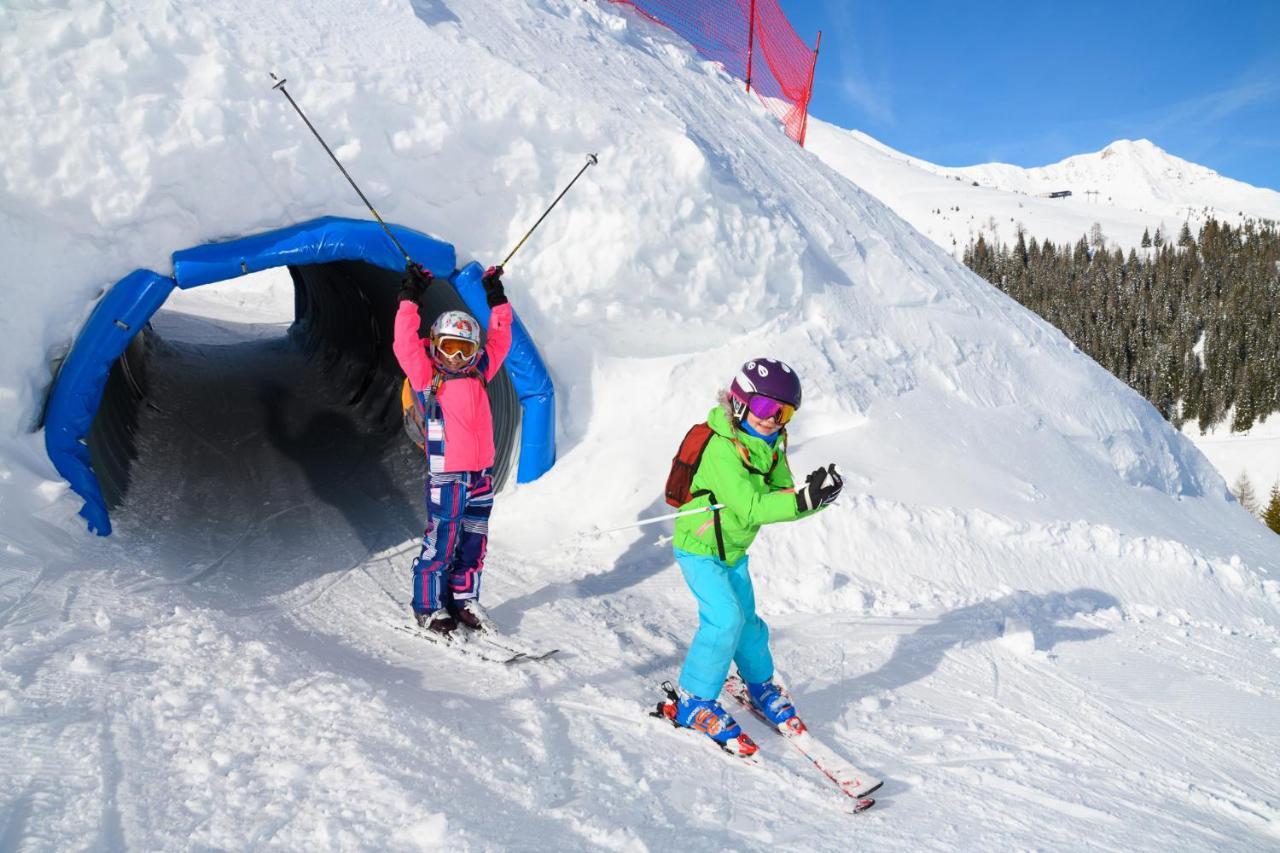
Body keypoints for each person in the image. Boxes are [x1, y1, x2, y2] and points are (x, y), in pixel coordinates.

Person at [663, 358, 843, 754]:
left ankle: (760, 684)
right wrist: (800, 501)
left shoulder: (771, 444)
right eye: (765, 408)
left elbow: (781, 493)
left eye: (785, 412)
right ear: (741, 403)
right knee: (723, 619)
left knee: (748, 624)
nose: (773, 419)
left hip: (734, 551)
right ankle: (694, 699)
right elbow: (750, 507)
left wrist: (814, 498)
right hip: (700, 549)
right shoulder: (721, 448)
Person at [392, 262, 512, 635]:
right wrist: (410, 299)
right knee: (441, 538)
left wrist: (497, 300)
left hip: (481, 473)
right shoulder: (429, 376)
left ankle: (462, 598)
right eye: (449, 348)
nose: (457, 358)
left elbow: (501, 340)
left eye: (465, 350)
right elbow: (403, 344)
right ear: (437, 346)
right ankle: (428, 605)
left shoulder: (479, 370)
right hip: (447, 474)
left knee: (474, 540)